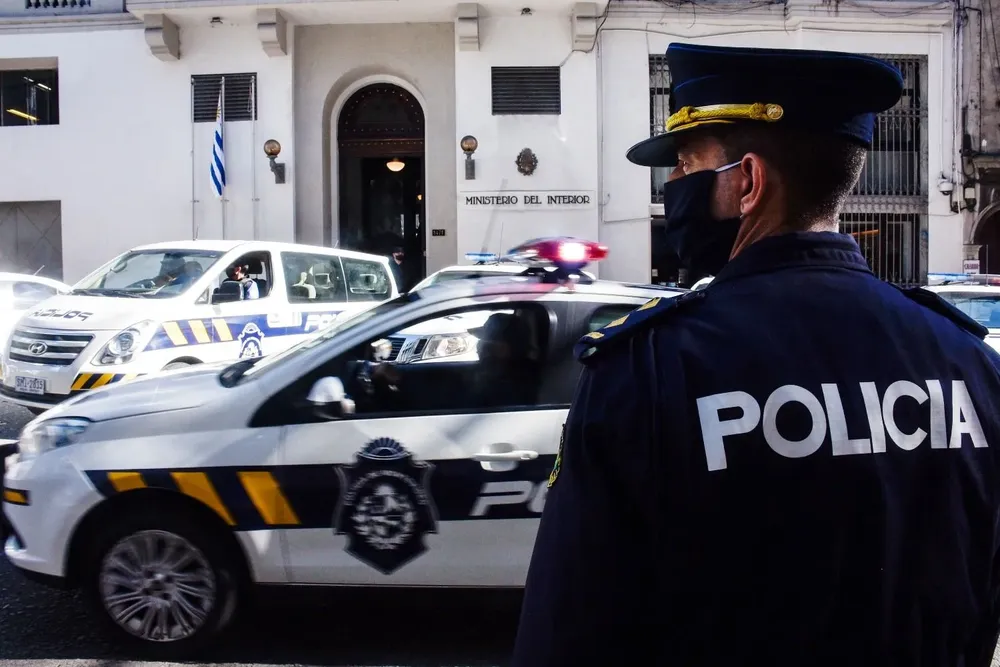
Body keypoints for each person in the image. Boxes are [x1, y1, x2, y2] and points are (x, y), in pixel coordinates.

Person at [511, 42, 1000, 667]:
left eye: (687, 166)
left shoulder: (647, 372)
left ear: (748, 182)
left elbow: (568, 635)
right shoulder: (967, 364)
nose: (672, 188)